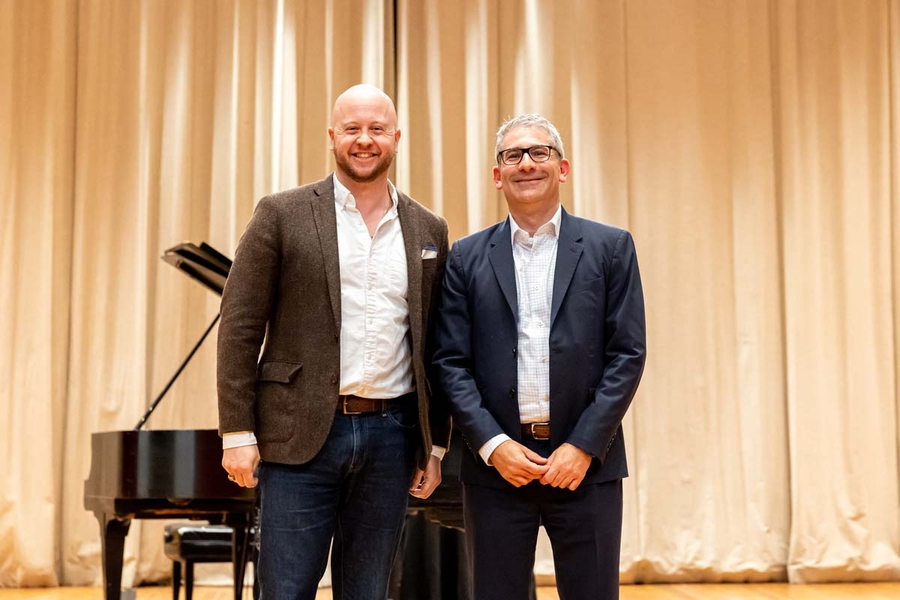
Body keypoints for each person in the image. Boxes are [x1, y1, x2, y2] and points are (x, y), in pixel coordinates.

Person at [217, 84, 450, 600]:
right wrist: (237, 430)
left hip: (393, 437)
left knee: (367, 591)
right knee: (284, 590)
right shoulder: (281, 213)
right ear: (332, 136)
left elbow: (436, 344)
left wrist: (434, 445)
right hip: (298, 438)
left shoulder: (429, 228)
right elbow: (238, 326)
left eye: (376, 129)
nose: (364, 140)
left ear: (396, 137)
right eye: (352, 129)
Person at [433, 114, 646, 600]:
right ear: (496, 175)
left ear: (563, 167)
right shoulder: (464, 257)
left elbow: (627, 354)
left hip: (586, 468)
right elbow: (448, 361)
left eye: (539, 152)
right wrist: (492, 444)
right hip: (496, 469)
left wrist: (584, 446)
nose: (526, 163)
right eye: (513, 155)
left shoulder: (610, 248)